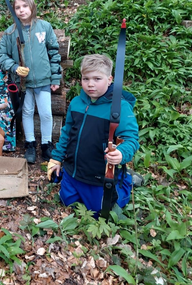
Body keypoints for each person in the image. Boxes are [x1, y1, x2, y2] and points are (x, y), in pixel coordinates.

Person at [47, 54, 139, 217]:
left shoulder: (120, 107)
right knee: (66, 200)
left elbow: (130, 139)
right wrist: (57, 159)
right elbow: (67, 133)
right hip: (73, 171)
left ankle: (127, 181)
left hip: (98, 175)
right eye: (86, 78)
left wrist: (121, 153)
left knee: (100, 211)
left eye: (97, 78)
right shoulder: (76, 103)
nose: (90, 84)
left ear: (110, 79)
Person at [0, 0, 62, 163]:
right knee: (26, 112)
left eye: (25, 6)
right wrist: (15, 68)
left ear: (32, 7)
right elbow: (1, 56)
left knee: (46, 113)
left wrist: (55, 78)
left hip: (43, 81)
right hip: (23, 84)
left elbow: (54, 53)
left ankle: (47, 144)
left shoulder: (44, 27)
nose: (21, 10)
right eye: (17, 7)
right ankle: (30, 144)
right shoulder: (10, 33)